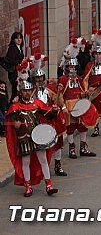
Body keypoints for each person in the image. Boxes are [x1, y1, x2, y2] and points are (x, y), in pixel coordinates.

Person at [6, 63, 60, 197]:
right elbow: (12, 121)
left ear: (31, 91)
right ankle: (28, 186)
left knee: (43, 160)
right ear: (21, 92)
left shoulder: (37, 103)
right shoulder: (16, 107)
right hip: (23, 138)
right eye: (24, 90)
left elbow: (47, 115)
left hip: (37, 137)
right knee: (26, 162)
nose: (27, 92)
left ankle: (49, 185)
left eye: (29, 90)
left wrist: (54, 111)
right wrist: (16, 124)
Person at [58, 40, 99, 159]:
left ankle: (83, 147)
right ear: (66, 67)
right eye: (70, 66)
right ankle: (71, 148)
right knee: (70, 128)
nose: (72, 69)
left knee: (83, 127)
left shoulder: (79, 79)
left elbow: (82, 92)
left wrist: (86, 93)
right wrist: (64, 107)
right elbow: (60, 94)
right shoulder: (63, 79)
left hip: (79, 105)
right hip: (69, 106)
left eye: (74, 67)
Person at [30, 54, 67, 176]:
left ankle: (58, 164)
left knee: (56, 142)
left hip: (51, 119)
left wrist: (59, 99)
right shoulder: (30, 92)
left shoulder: (50, 89)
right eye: (37, 78)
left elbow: (58, 101)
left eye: (41, 78)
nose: (39, 80)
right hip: (37, 120)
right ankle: (40, 167)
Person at [3, 32, 24, 101]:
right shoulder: (12, 48)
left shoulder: (19, 48)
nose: (19, 40)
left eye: (20, 38)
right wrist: (21, 62)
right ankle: (12, 105)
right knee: (15, 90)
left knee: (18, 90)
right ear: (13, 39)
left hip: (19, 72)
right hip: (14, 73)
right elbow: (11, 61)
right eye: (17, 38)